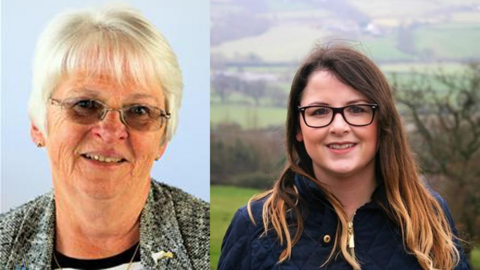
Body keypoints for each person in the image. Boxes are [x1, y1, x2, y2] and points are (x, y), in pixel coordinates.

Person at [218, 45, 470, 269]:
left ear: (381, 122)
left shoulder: (429, 216)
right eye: (319, 111)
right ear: (298, 128)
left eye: (357, 109)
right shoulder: (255, 226)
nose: (338, 126)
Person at [0, 4, 209, 270]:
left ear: (162, 139)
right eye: (85, 105)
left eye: (139, 111)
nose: (110, 132)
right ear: (38, 125)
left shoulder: (205, 238)